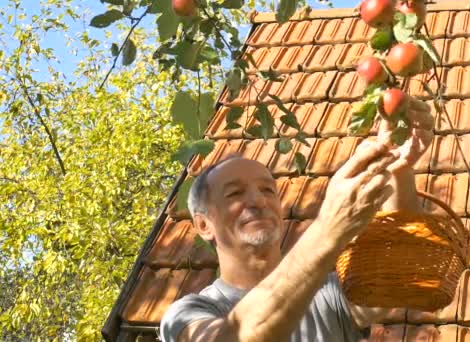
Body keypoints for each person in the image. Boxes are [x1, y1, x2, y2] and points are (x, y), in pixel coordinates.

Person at [160, 97, 434, 342]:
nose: (258, 201)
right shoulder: (188, 313)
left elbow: (401, 275)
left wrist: (398, 166)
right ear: (204, 225)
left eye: (267, 189)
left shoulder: (330, 292)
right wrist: (328, 228)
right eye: (235, 193)